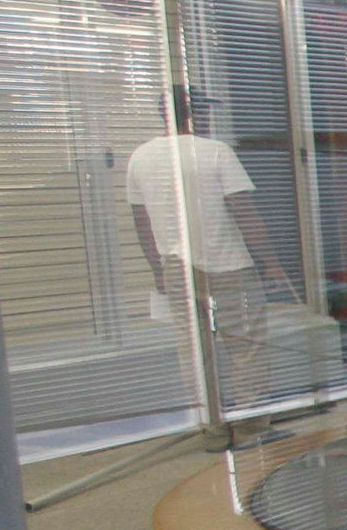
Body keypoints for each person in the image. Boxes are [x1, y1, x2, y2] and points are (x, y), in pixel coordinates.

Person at [126, 87, 296, 414]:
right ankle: (250, 420)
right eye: (204, 111)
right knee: (246, 345)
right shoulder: (216, 151)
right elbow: (244, 212)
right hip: (229, 263)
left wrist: (157, 268)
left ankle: (209, 424)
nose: (208, 117)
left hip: (176, 266)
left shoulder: (140, 157)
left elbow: (141, 222)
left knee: (193, 348)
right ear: (195, 114)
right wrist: (271, 262)